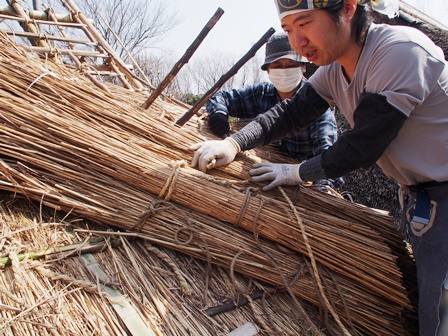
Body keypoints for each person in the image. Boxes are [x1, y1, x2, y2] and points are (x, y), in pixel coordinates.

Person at [190, 0, 448, 335]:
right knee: (430, 313)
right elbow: (287, 114)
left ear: (349, 9)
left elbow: (363, 145)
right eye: (288, 30)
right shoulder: (334, 71)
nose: (298, 41)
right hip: (425, 201)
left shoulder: (399, 52)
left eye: (306, 23)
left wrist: (294, 173)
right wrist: (233, 143)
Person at [206, 32, 344, 191]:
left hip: (297, 180)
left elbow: (328, 156)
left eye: (291, 65)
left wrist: (319, 188)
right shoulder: (262, 93)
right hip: (261, 166)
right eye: (278, 66)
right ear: (268, 70)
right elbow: (220, 97)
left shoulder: (318, 105)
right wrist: (219, 115)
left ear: (304, 67)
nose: (284, 71)